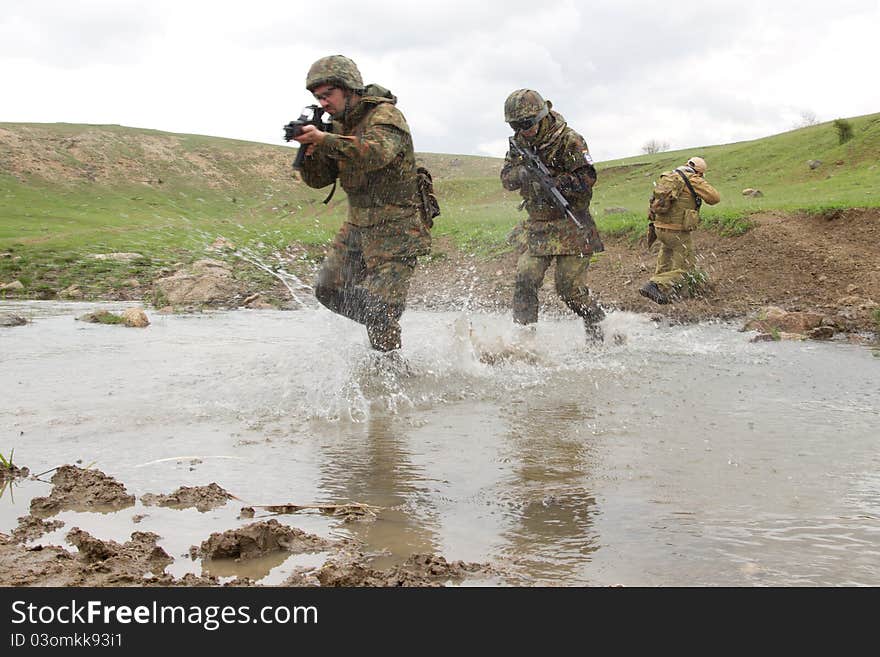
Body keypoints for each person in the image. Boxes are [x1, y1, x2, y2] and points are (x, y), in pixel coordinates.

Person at [293, 55, 432, 352]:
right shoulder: (335, 125)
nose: (324, 103)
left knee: (381, 311)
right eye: (319, 98)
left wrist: (326, 141)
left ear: (349, 88)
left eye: (328, 94)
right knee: (327, 290)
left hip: (398, 230)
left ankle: (390, 366)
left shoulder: (385, 116)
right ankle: (382, 327)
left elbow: (377, 153)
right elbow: (319, 180)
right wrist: (310, 154)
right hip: (358, 226)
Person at [500, 89, 606, 343]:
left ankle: (599, 325)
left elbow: (588, 178)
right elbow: (506, 179)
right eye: (516, 125)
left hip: (573, 223)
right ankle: (524, 341)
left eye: (527, 124)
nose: (522, 130)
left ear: (542, 117)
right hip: (538, 225)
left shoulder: (570, 140)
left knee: (569, 289)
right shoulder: (518, 144)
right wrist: (525, 174)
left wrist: (555, 183)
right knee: (525, 279)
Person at [639, 156, 721, 304]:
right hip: (677, 232)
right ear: (699, 172)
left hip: (659, 229)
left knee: (666, 263)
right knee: (686, 269)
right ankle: (655, 285)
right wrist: (701, 182)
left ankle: (664, 294)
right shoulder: (693, 179)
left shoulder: (668, 176)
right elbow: (714, 198)